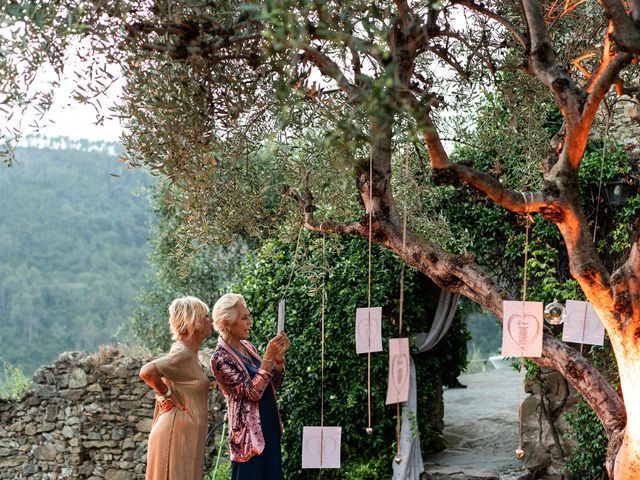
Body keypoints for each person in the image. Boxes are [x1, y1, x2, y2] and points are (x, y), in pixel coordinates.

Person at [210, 293, 290, 480]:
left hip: (268, 427)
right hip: (248, 436)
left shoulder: (248, 347)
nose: (250, 322)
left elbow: (271, 385)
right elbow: (252, 392)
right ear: (228, 323)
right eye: (244, 318)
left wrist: (277, 360)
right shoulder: (220, 359)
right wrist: (268, 357)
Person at [139, 296, 212, 480]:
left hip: (186, 436)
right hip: (175, 435)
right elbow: (147, 371)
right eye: (206, 316)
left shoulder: (190, 354)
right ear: (193, 322)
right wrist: (166, 394)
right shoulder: (182, 353)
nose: (211, 320)